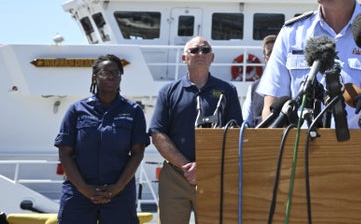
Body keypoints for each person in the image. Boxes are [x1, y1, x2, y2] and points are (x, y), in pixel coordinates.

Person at [148, 37, 243, 223]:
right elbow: (157, 134)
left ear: (212, 57)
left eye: (205, 50)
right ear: (185, 58)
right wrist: (186, 166)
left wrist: (203, 166)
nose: (200, 54)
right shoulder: (168, 92)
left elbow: (234, 133)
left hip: (214, 175)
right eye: (194, 50)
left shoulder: (227, 91)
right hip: (175, 176)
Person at [54, 54, 149, 224]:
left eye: (116, 73)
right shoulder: (76, 110)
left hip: (119, 194)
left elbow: (137, 153)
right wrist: (84, 189)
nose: (111, 76)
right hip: (78, 193)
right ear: (94, 76)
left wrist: (117, 188)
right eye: (105, 72)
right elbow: (65, 153)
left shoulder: (134, 111)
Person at [241, 34, 276, 127]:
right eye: (270, 53)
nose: (274, 57)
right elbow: (246, 122)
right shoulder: (253, 88)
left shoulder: (292, 84)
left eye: (276, 53)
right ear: (265, 58)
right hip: (259, 139)